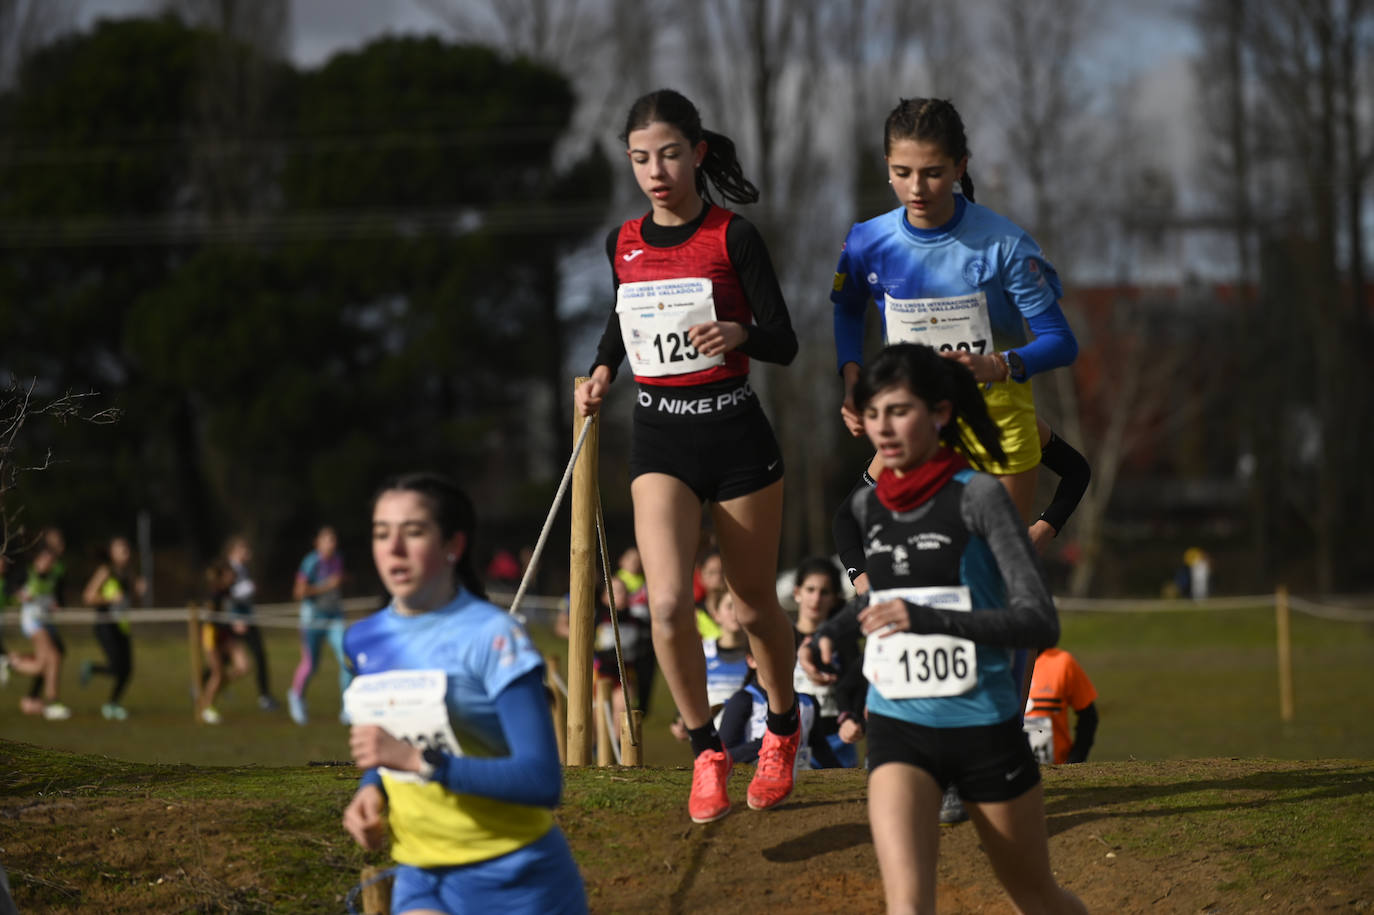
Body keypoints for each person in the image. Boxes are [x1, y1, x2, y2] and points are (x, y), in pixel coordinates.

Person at [575, 88, 803, 823]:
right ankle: (706, 750)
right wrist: (603, 369)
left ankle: (782, 725)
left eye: (668, 153)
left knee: (753, 602)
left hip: (736, 435)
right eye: (640, 158)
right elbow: (622, 319)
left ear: (697, 152)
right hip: (661, 437)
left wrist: (739, 333)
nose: (655, 170)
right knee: (668, 602)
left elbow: (785, 339)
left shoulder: (733, 236)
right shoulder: (623, 241)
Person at [805, 343, 1086, 915]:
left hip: (983, 727)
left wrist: (926, 618)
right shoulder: (868, 507)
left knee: (1039, 900)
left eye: (900, 411)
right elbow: (883, 600)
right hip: (898, 726)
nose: (884, 428)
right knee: (907, 907)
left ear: (938, 414)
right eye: (875, 413)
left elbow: (1038, 621)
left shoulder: (980, 496)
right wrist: (832, 630)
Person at [342, 472, 586, 915]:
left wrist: (419, 762)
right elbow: (389, 742)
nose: (393, 548)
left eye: (413, 532)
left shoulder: (494, 638)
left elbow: (542, 781)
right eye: (382, 533)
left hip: (518, 881)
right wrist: (371, 788)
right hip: (419, 871)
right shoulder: (363, 640)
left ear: (453, 545)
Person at [831, 96, 1078, 526]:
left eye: (933, 173)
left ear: (960, 167)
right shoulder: (867, 242)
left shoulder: (1005, 245)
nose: (916, 189)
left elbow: (1062, 342)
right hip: (914, 432)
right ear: (887, 164)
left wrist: (998, 364)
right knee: (923, 578)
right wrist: (853, 379)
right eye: (902, 173)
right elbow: (848, 309)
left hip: (997, 430)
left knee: (989, 584)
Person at [790, 556, 865, 767]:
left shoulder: (844, 640)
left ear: (834, 598)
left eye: (824, 592)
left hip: (837, 741)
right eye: (810, 590)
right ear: (797, 593)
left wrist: (854, 719)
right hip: (791, 741)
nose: (816, 599)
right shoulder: (782, 638)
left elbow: (856, 687)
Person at [288, 525, 351, 725]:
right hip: (312, 619)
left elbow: (338, 583)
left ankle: (348, 707)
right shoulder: (311, 562)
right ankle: (296, 697)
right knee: (311, 664)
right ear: (318, 543)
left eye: (333, 540)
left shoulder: (338, 559)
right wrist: (326, 586)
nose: (331, 544)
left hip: (335, 617)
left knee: (347, 660)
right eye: (327, 540)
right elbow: (298, 592)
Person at [79, 536, 144, 720]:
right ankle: (92, 668)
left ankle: (112, 704)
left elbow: (131, 600)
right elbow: (88, 597)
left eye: (127, 548)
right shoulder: (105, 571)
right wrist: (109, 599)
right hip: (105, 625)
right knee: (117, 666)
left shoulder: (129, 572)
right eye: (121, 549)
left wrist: (138, 592)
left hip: (122, 624)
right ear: (112, 553)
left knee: (128, 669)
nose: (126, 552)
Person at [9, 547, 70, 719]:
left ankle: (12, 664)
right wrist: (20, 595)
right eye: (44, 560)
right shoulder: (26, 574)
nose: (47, 564)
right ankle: (53, 702)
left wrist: (57, 605)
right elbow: (10, 588)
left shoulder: (53, 578)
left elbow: (59, 599)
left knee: (43, 665)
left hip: (48, 622)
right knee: (54, 657)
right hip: (33, 622)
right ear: (37, 560)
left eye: (50, 562)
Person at [222, 536, 278, 710]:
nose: (248, 553)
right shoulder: (227, 569)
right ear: (233, 551)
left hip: (247, 618)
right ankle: (204, 685)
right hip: (235, 621)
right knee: (226, 659)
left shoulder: (244, 569)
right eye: (244, 550)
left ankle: (264, 696)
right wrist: (234, 618)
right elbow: (225, 596)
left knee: (258, 656)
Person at [1023, 646, 1098, 765]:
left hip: (1057, 768)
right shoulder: (1001, 662)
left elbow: (1088, 716)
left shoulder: (1062, 662)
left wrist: (1074, 761)